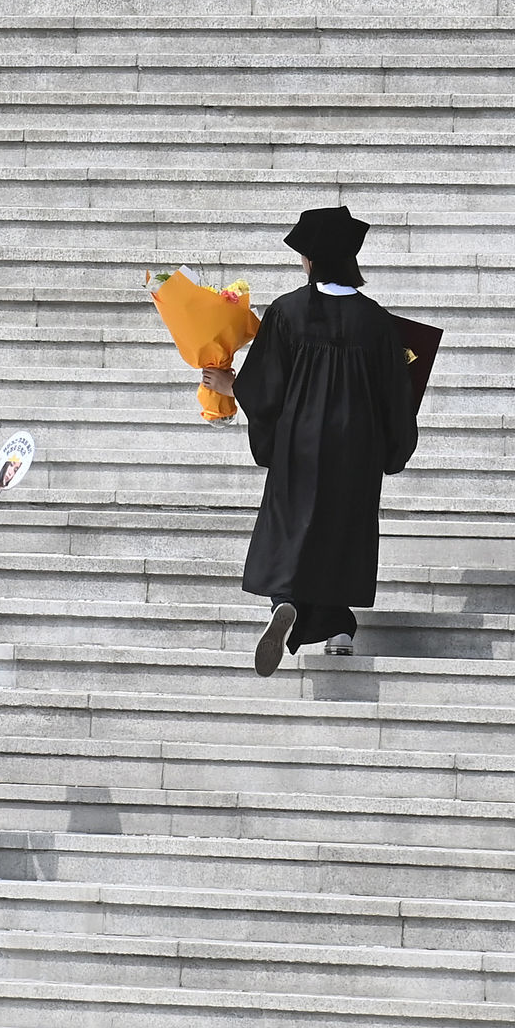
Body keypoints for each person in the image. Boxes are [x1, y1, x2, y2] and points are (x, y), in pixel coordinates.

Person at [209, 206, 418, 677]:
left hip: (299, 445)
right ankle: (340, 628)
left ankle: (287, 603)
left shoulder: (287, 313)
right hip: (357, 451)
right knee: (343, 533)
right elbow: (397, 400)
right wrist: (390, 448)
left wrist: (229, 386)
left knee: (293, 526)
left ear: (312, 260)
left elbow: (267, 389)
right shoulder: (378, 323)